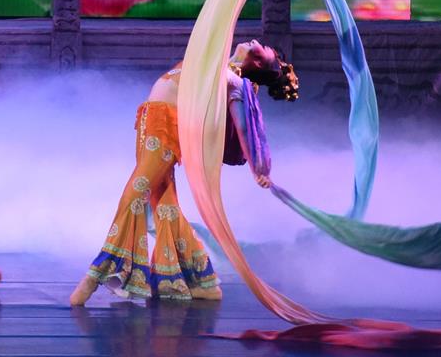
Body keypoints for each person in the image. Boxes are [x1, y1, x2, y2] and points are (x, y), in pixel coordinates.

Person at [69, 40, 300, 305]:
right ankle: (202, 281)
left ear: (259, 63)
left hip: (168, 126)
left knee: (134, 195)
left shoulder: (235, 82)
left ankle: (98, 273)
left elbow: (244, 129)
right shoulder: (218, 59)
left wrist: (258, 168)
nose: (257, 42)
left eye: (268, 50)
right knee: (164, 205)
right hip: (150, 121)